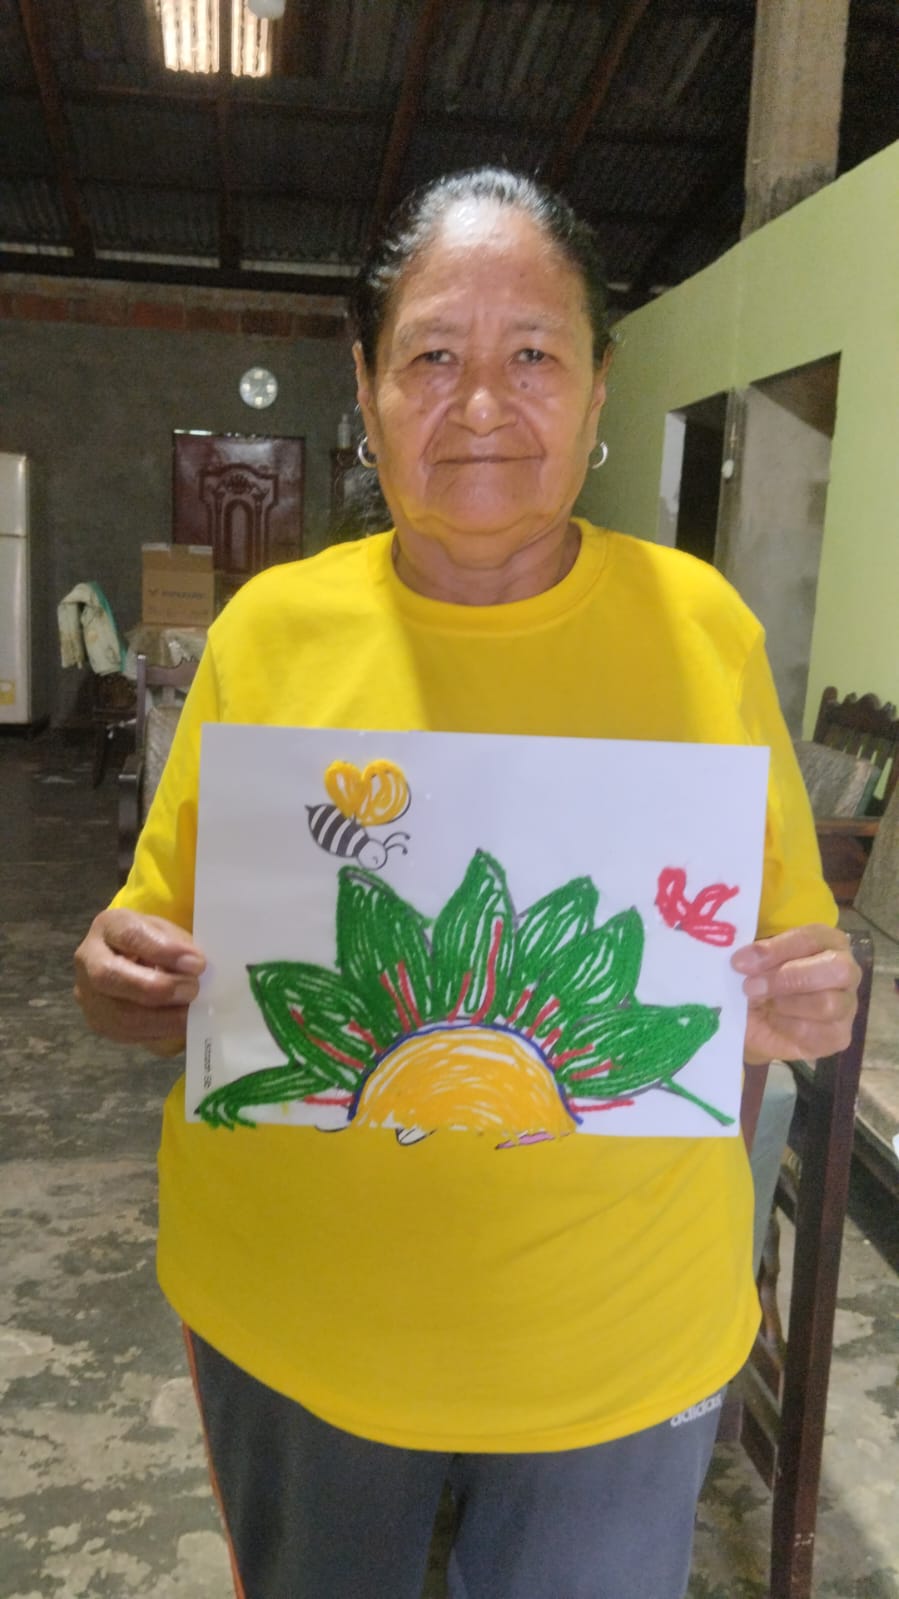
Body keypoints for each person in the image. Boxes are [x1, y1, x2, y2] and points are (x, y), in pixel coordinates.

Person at [74, 168, 859, 1599]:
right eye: (433, 354)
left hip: (615, 1345)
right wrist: (118, 973)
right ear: (366, 390)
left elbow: (781, 952)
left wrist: (803, 995)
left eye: (534, 353)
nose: (482, 403)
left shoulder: (703, 633)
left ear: (600, 385)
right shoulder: (271, 633)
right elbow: (158, 944)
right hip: (301, 1329)